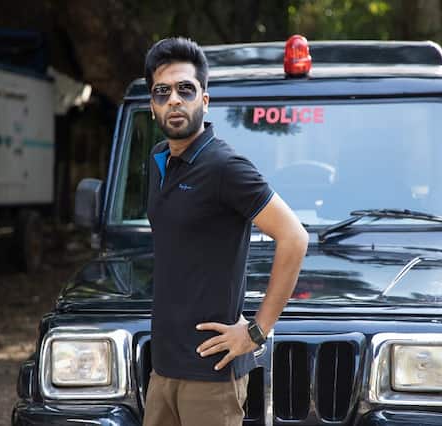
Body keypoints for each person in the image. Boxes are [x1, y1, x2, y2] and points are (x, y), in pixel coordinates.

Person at [143, 37, 309, 426]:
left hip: (211, 377)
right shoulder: (158, 159)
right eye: (162, 92)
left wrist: (256, 331)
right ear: (152, 106)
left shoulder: (225, 167)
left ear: (204, 100)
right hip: (163, 369)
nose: (174, 100)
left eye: (185, 89)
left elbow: (294, 237)